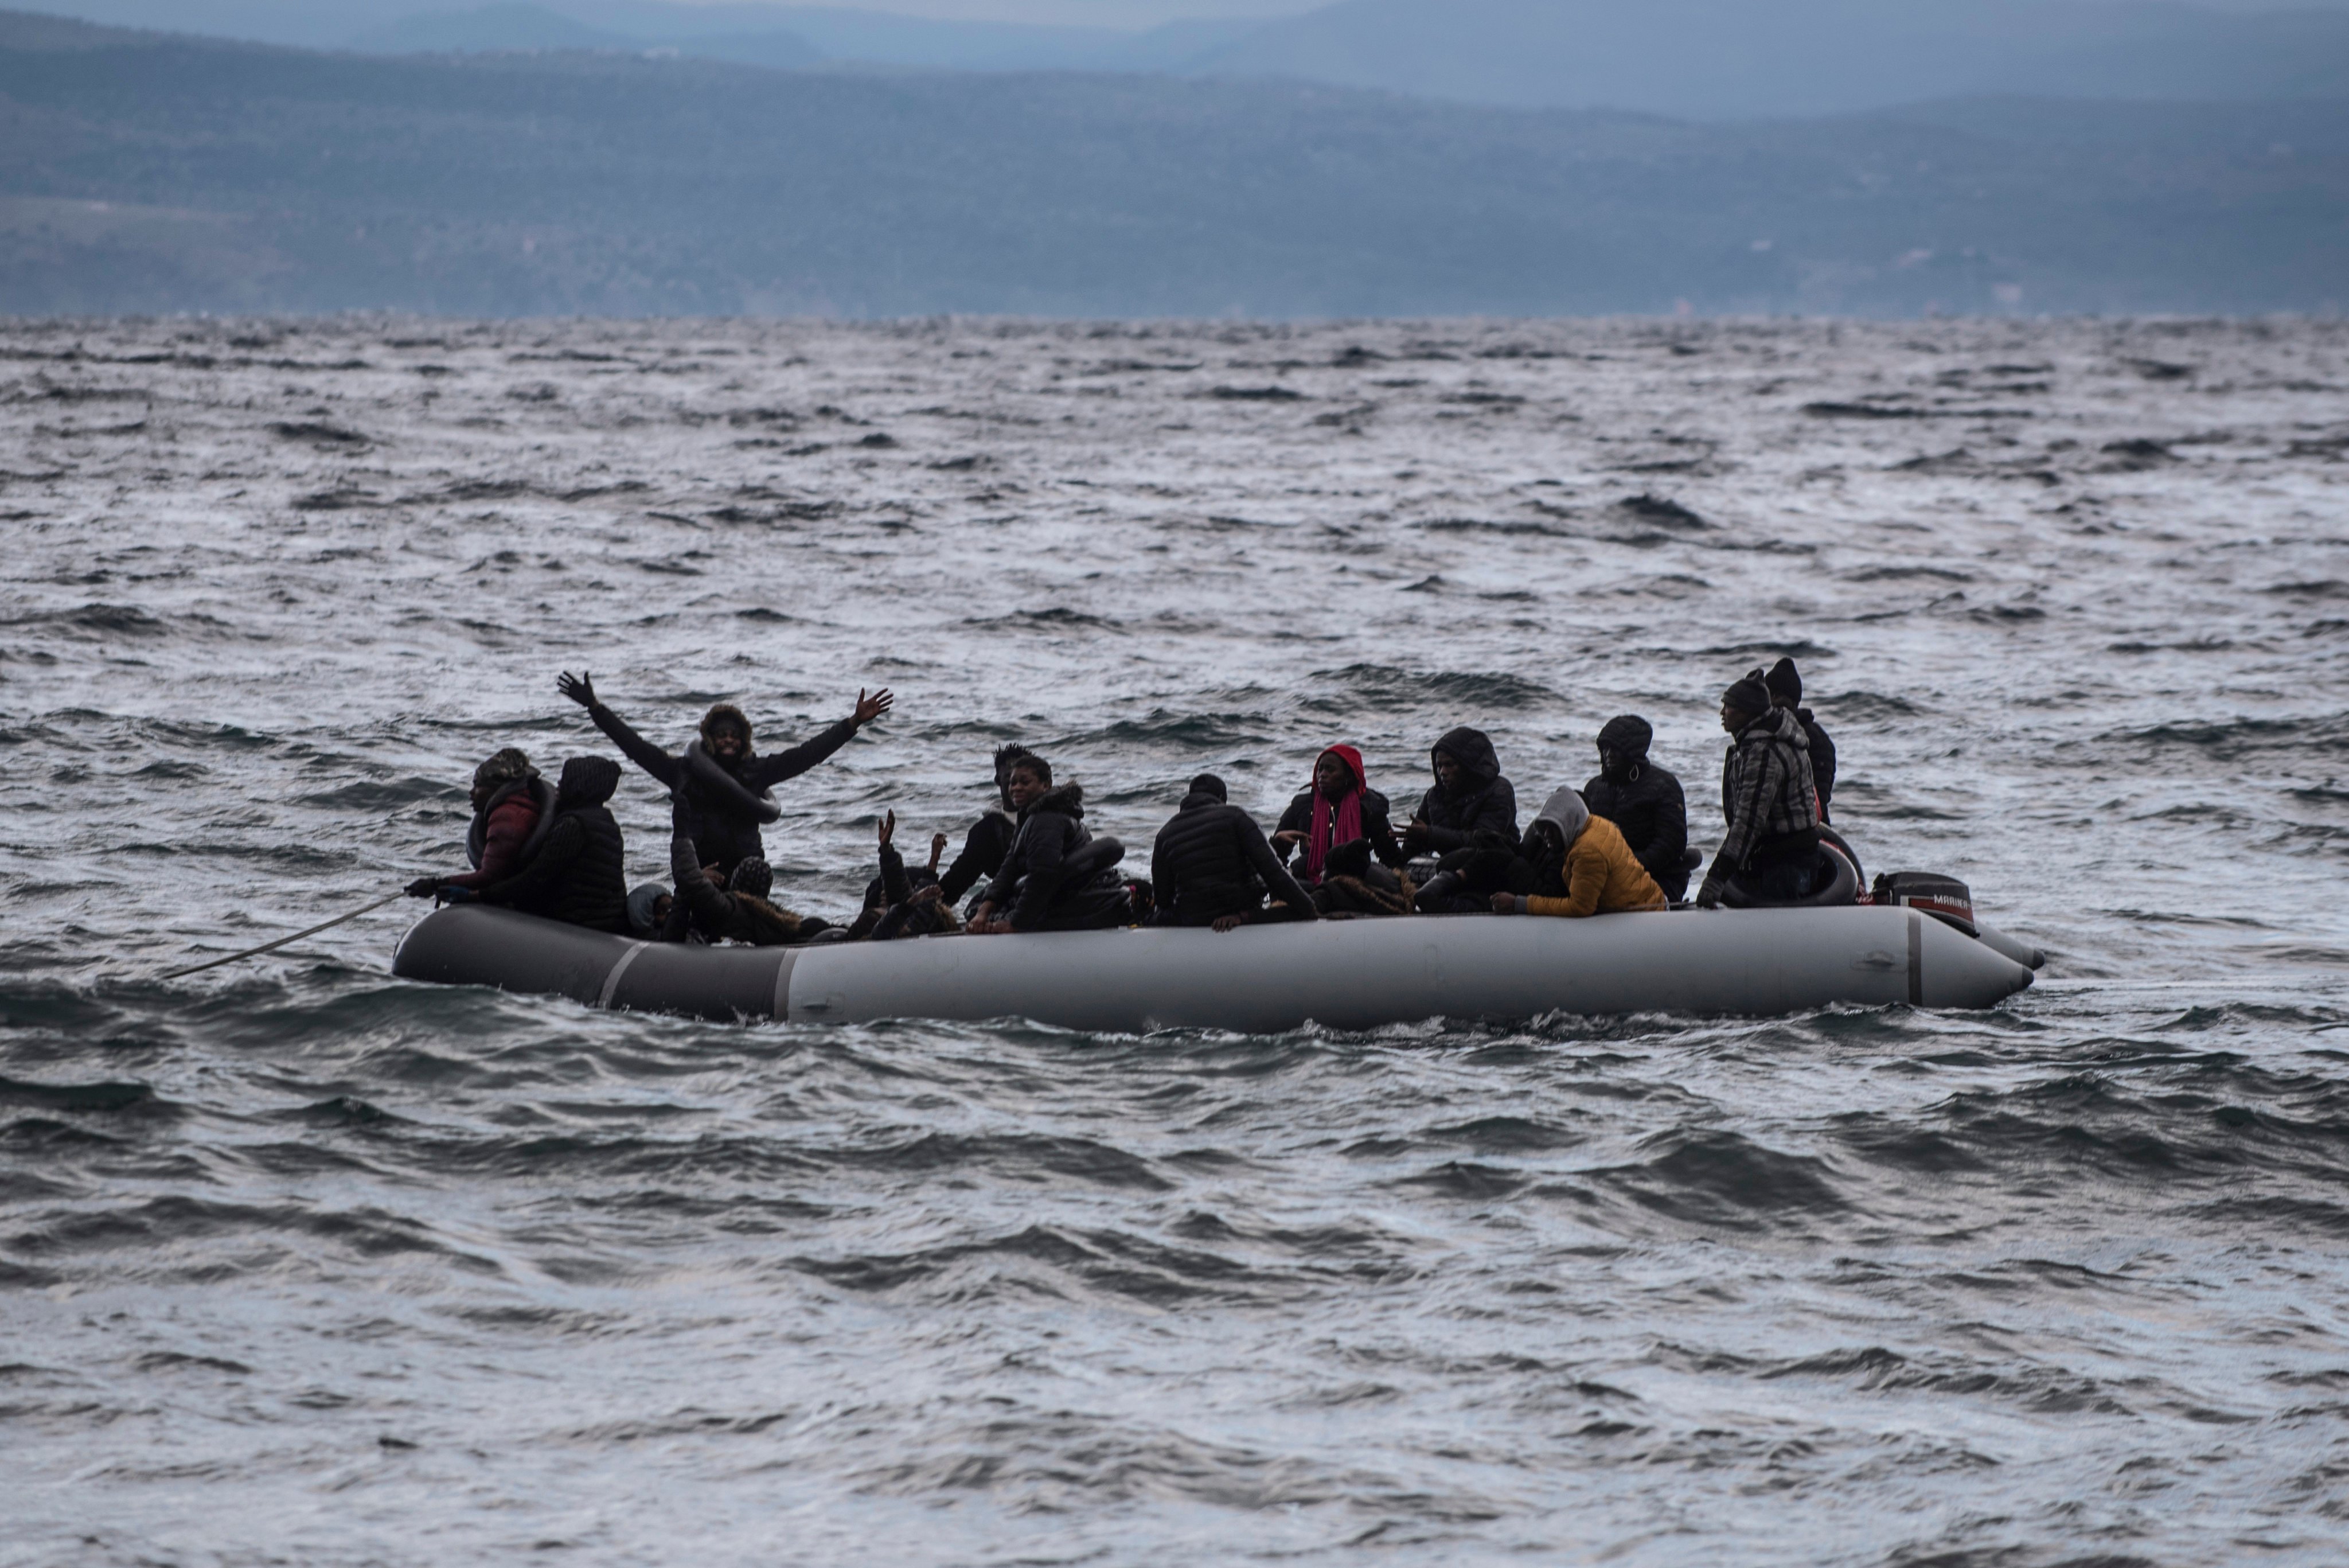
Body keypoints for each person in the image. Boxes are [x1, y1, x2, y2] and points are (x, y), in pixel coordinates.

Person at [556, 670, 892, 882]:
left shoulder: (759, 772)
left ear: (743, 739)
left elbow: (808, 754)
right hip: (699, 871)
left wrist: (852, 724)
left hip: (746, 871)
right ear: (710, 740)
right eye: (721, 735)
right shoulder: (682, 772)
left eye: (734, 734)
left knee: (755, 880)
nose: (728, 739)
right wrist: (595, 708)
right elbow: (634, 746)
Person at [1697, 669, 1825, 910]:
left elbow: (1747, 822)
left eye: (1729, 706)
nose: (1722, 713)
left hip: (1785, 866)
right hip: (1775, 858)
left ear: (1748, 711)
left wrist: (1716, 877)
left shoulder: (1764, 751)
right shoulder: (1757, 742)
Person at [967, 754, 1131, 934]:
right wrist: (984, 911)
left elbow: (1043, 875)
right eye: (1013, 783)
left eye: (1025, 782)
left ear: (1046, 785)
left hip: (1076, 899)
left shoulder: (1047, 819)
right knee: (978, 905)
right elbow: (1010, 866)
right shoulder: (1029, 816)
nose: (1016, 788)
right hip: (1057, 896)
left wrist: (1015, 924)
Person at [467, 756, 630, 933]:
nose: (559, 783)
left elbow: (536, 877)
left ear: (579, 786)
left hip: (582, 921)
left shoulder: (573, 825)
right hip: (609, 918)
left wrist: (481, 895)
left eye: (567, 779)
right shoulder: (607, 821)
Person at [1149, 773, 1318, 932]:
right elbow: (1273, 872)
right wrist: (1309, 909)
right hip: (1239, 910)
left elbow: (1163, 899)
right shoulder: (1236, 816)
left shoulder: (1165, 834)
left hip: (1193, 918)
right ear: (1223, 799)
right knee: (1294, 908)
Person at [405, 747, 554, 903]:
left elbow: (490, 877)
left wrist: (435, 884)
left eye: (478, 786)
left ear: (496, 789)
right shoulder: (519, 806)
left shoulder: (507, 816)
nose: (471, 792)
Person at [1488, 788, 1666, 918]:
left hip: (1642, 915)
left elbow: (1580, 907)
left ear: (1570, 823)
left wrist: (1519, 904)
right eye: (1544, 828)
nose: (1547, 835)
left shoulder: (1587, 852)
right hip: (1652, 901)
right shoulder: (1597, 824)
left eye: (1554, 828)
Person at [1582, 715, 1691, 902]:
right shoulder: (1594, 788)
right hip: (1605, 876)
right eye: (1605, 748)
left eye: (1616, 749)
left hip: (1658, 878)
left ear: (1633, 752)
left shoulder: (1664, 786)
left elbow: (1671, 844)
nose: (1609, 755)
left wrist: (1628, 867)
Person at [1274, 746, 1403, 883]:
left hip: (1354, 880)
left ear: (1349, 775)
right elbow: (1274, 855)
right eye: (1320, 769)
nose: (1322, 774)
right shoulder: (1302, 805)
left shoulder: (1369, 807)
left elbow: (1389, 855)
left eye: (1330, 769)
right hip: (1308, 877)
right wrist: (1278, 842)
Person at [663, 832, 819, 946]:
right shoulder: (778, 924)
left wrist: (694, 881)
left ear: (736, 880)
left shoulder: (723, 911)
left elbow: (674, 934)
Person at [938, 743, 1036, 910]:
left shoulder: (1053, 814)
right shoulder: (987, 832)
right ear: (998, 780)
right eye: (1010, 777)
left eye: (1024, 779)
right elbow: (959, 878)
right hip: (1018, 903)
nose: (1017, 785)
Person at [1400, 727, 1519, 857]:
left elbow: (1483, 841)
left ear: (1468, 766)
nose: (1442, 772)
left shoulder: (1499, 790)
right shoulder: (1435, 795)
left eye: (1449, 765)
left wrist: (1430, 834)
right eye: (1439, 766)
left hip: (1496, 864)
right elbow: (1413, 847)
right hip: (1450, 864)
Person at [845, 812, 961, 941]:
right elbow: (904, 893)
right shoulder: (909, 916)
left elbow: (907, 911)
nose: (883, 895)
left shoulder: (896, 927)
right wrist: (886, 849)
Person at [1765, 657, 1837, 824]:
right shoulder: (1817, 735)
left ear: (1775, 696)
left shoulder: (1797, 736)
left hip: (1806, 825)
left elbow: (1815, 798)